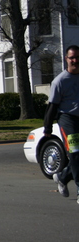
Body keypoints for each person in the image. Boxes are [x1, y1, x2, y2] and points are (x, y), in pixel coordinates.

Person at [44, 45, 79, 204]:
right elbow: (52, 107)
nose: (75, 60)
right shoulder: (59, 81)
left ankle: (62, 176)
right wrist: (47, 128)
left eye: (77, 57)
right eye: (72, 57)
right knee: (76, 153)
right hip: (67, 119)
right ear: (66, 59)